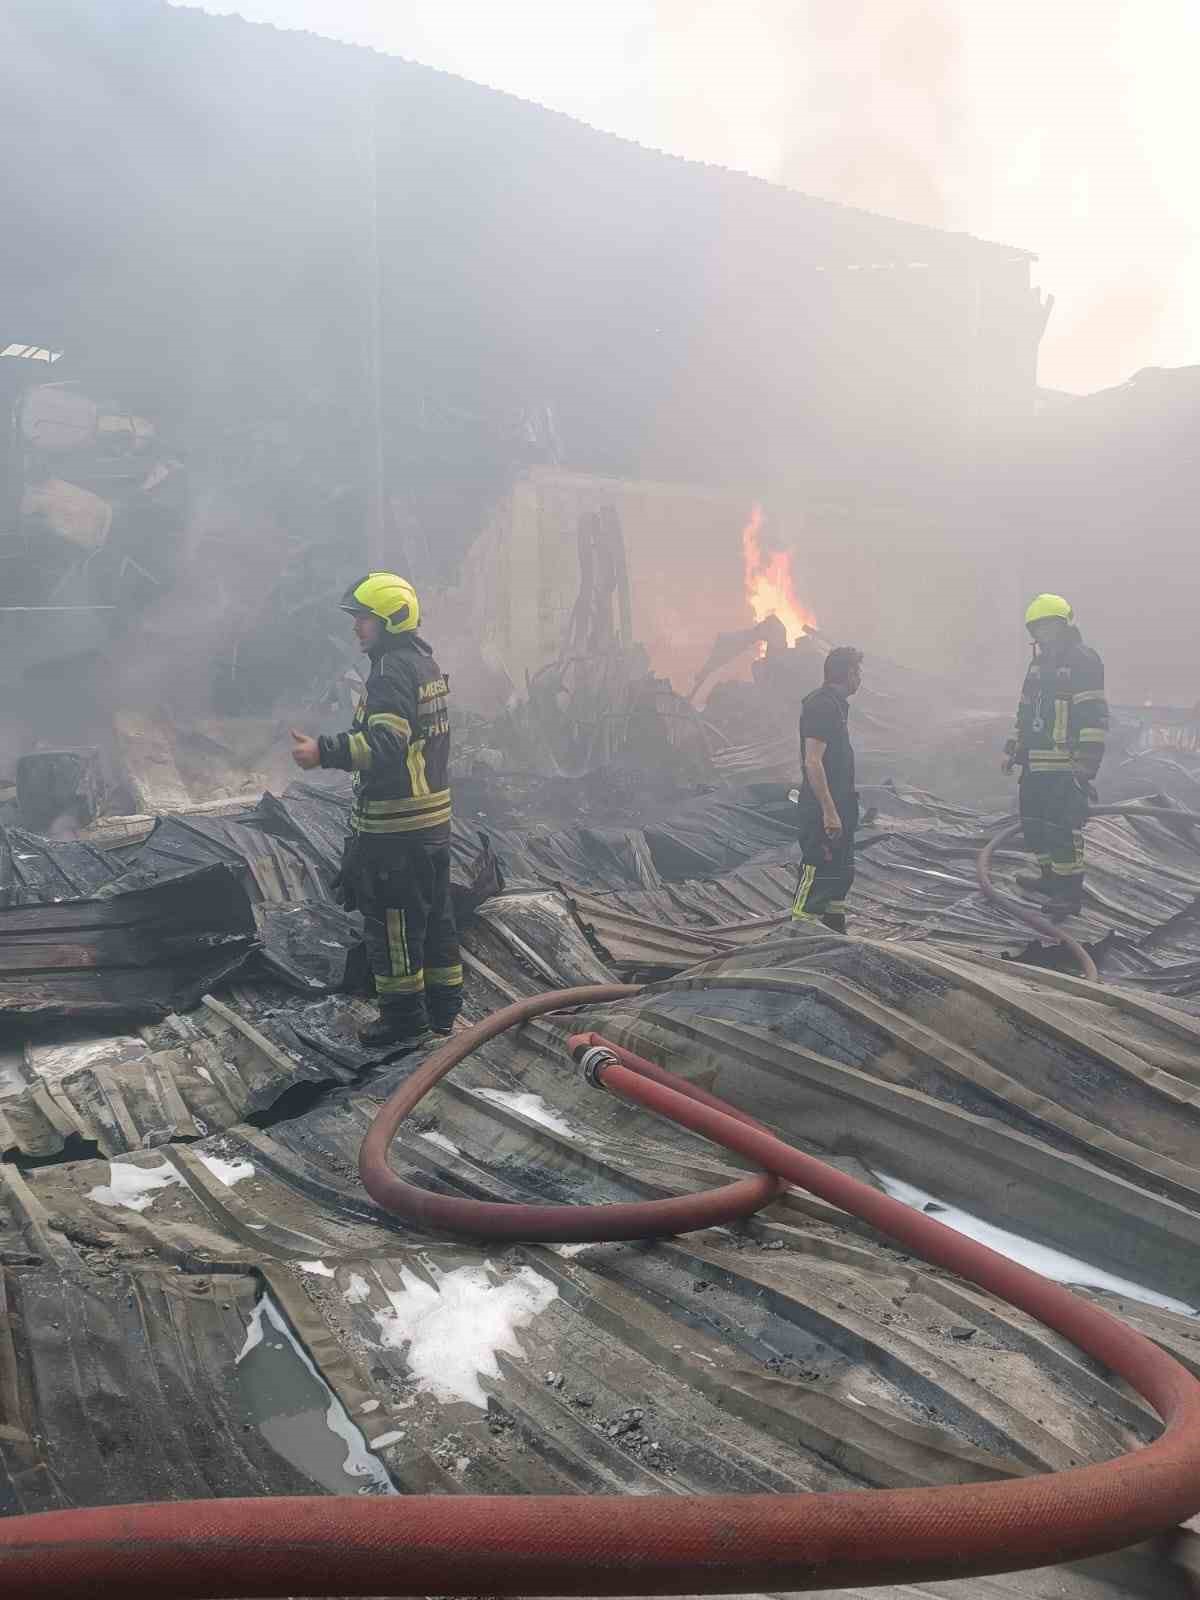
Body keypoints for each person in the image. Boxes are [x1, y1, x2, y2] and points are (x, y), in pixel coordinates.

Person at [290, 573, 462, 1048]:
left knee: (394, 926)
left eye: (364, 619)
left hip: (395, 829)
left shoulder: (389, 672)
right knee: (435, 918)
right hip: (432, 823)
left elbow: (387, 742)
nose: (357, 629)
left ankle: (406, 1020)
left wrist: (323, 752)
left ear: (389, 620)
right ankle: (446, 1011)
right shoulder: (425, 666)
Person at [1004, 594, 1108, 919]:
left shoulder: (1083, 660)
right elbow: (1025, 708)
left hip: (1065, 762)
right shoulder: (1037, 664)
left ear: (1064, 624)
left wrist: (1086, 763)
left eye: (1049, 625)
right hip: (1034, 760)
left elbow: (1092, 713)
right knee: (1034, 824)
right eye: (1038, 627)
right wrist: (1014, 746)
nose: (1043, 633)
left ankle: (1068, 893)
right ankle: (1049, 879)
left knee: (1062, 828)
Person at [791, 646, 863, 934]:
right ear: (846, 673)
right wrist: (829, 812)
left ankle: (835, 933)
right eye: (857, 671)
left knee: (839, 874)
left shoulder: (836, 705)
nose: (860, 678)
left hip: (842, 804)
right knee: (818, 869)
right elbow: (813, 762)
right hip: (823, 808)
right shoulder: (820, 706)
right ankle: (799, 936)